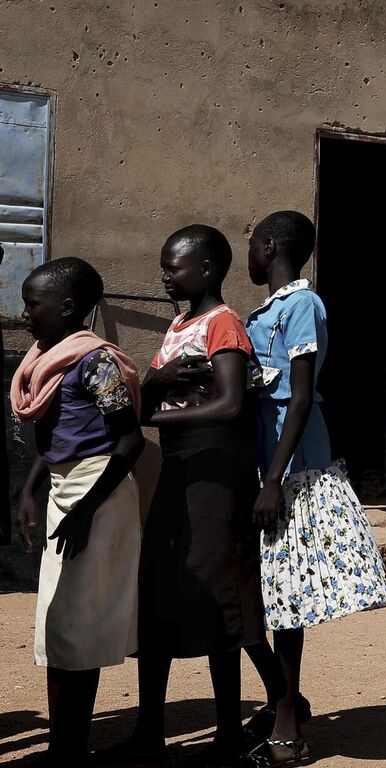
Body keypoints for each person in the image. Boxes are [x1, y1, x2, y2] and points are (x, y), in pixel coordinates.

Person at [105, 225, 267, 767]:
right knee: (158, 595)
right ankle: (148, 728)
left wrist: (152, 412)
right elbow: (151, 386)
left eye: (174, 267)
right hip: (179, 468)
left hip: (215, 474)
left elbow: (230, 405)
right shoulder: (180, 324)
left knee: (217, 597)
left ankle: (226, 732)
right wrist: (157, 385)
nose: (165, 275)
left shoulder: (224, 325)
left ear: (207, 271)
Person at [243, 210, 386, 764]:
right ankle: (284, 700)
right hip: (266, 459)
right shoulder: (268, 310)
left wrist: (273, 479)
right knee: (253, 597)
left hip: (293, 465)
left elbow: (301, 396)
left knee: (285, 602)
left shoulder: (303, 305)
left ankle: (288, 726)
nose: (249, 254)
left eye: (253, 243)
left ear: (271, 246)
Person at [10, 258, 144, 765]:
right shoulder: (47, 359)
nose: (25, 315)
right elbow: (53, 439)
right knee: (55, 624)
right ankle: (64, 745)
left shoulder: (96, 362)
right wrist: (29, 491)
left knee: (77, 627)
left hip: (98, 492)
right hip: (66, 489)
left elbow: (129, 441)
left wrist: (87, 508)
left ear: (67, 308)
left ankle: (69, 748)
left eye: (32, 305)